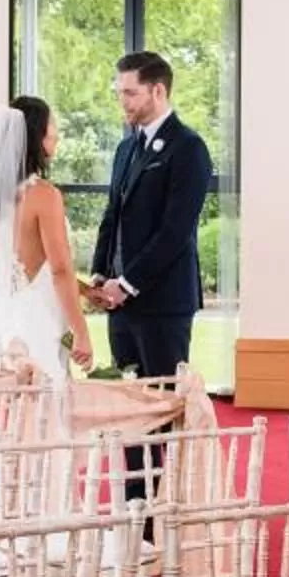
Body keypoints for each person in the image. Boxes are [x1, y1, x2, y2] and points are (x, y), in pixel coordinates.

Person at [88, 50, 213, 381]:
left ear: (158, 91)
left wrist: (127, 284)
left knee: (162, 402)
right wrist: (101, 275)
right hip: (119, 304)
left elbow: (175, 231)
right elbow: (112, 215)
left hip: (163, 303)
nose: (123, 102)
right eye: (119, 93)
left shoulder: (188, 147)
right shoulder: (125, 149)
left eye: (130, 93)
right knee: (129, 403)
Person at [0, 96, 94, 393]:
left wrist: (86, 290)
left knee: (18, 408)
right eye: (51, 124)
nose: (56, 132)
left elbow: (30, 264)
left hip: (9, 315)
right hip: (40, 317)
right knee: (47, 403)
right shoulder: (44, 195)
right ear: (37, 136)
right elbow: (58, 270)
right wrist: (82, 333)